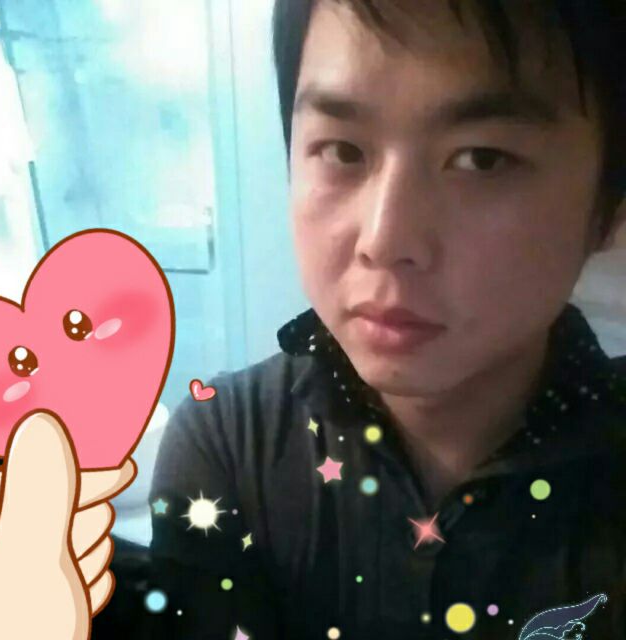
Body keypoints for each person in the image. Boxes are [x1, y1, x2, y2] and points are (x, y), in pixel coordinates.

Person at [145, 1, 626, 638]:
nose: (385, 238)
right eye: (342, 150)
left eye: (482, 159)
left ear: (609, 207)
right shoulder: (230, 447)